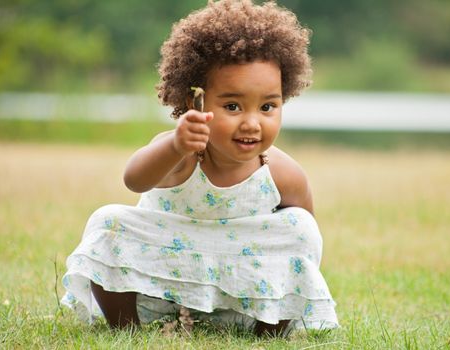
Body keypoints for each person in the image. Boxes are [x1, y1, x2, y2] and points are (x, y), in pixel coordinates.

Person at [61, 0, 338, 336]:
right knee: (106, 221)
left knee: (301, 226)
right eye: (233, 106)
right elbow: (134, 180)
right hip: (163, 282)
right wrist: (175, 146)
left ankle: (268, 333)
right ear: (197, 102)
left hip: (240, 293)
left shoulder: (279, 170)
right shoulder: (184, 152)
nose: (252, 123)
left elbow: (303, 241)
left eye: (267, 106)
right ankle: (126, 329)